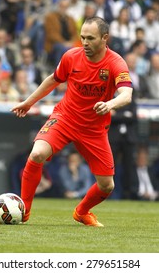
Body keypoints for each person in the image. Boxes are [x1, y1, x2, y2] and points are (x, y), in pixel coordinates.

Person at [11, 16, 133, 227]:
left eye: (90, 38)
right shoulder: (71, 57)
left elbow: (127, 94)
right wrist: (29, 102)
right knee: (37, 153)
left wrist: (110, 104)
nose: (85, 43)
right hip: (65, 118)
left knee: (106, 186)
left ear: (105, 38)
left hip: (94, 129)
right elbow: (53, 79)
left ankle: (82, 212)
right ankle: (24, 211)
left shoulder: (115, 63)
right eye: (82, 37)